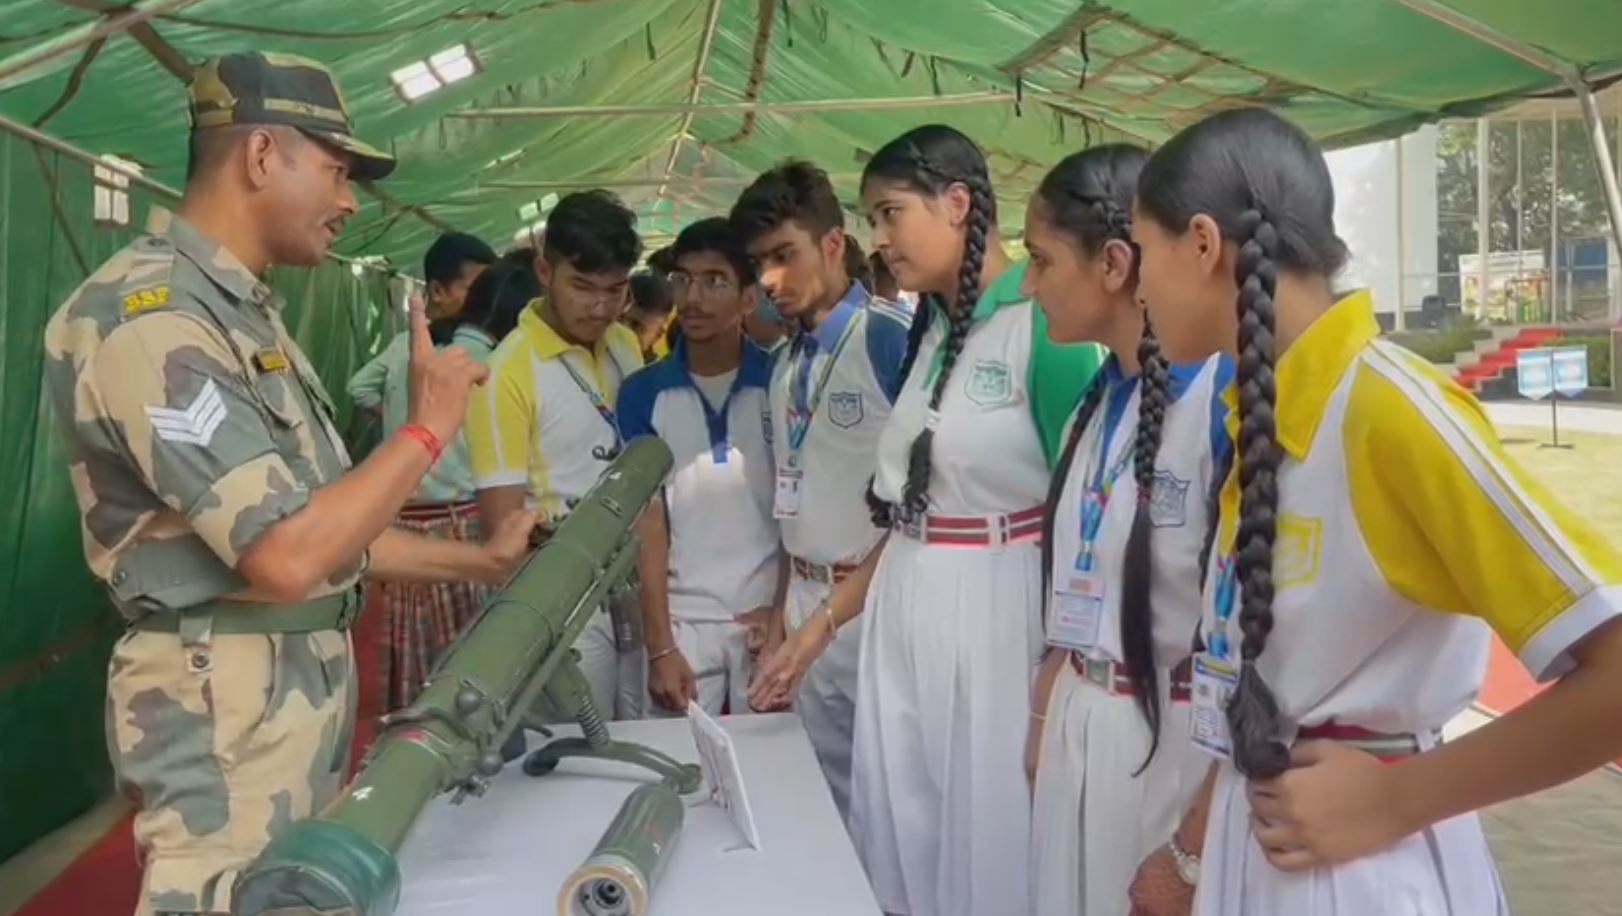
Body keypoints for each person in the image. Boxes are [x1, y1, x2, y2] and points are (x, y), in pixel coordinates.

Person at [41, 51, 535, 916]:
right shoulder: (153, 321)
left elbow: (331, 529)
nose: (349, 201)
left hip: (281, 705)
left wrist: (482, 564)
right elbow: (286, 555)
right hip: (224, 726)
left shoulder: (243, 314)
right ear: (263, 156)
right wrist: (427, 428)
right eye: (338, 170)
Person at [1125, 107, 1622, 916]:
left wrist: (1401, 799)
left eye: (1144, 253)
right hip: (1272, 848)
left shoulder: (1389, 411)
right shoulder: (1259, 414)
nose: (1137, 285)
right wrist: (1192, 855)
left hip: (1367, 872)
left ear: (1204, 244)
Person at [750, 125, 1104, 916]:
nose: (880, 239)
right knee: (904, 825)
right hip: (907, 610)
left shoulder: (1044, 325)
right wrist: (818, 630)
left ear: (957, 203)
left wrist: (1058, 677)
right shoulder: (935, 329)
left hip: (996, 618)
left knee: (986, 837)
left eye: (889, 213)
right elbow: (918, 519)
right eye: (871, 218)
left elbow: (1089, 515)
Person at [1018, 146, 1232, 916]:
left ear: (1114, 263)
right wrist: (1049, 711)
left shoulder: (1219, 396)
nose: (1029, 284)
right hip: (1086, 721)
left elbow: (1256, 638)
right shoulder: (1099, 400)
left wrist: (1194, 847)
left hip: (1172, 746)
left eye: (1040, 260)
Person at [730, 159, 909, 819]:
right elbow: (792, 497)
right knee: (817, 795)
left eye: (785, 255)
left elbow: (924, 502)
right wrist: (781, 611)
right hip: (804, 599)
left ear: (833, 245)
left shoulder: (891, 340)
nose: (769, 280)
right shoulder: (782, 367)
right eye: (758, 264)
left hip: (872, 605)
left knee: (883, 799)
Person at [464, 189, 648, 720]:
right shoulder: (507, 372)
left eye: (615, 290)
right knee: (581, 743)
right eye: (582, 287)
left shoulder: (624, 345)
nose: (599, 307)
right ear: (544, 271)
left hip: (633, 577)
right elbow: (503, 528)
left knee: (639, 727)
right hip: (563, 594)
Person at [348, 257, 542, 711]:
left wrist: (397, 419)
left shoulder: (410, 349)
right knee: (462, 672)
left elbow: (358, 388)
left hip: (398, 526)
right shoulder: (498, 366)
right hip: (458, 528)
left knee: (407, 665)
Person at [616, 218, 779, 717]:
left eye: (714, 281)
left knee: (775, 771)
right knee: (681, 777)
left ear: (748, 299)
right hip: (683, 620)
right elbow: (648, 521)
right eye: (682, 280)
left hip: (765, 621)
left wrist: (782, 617)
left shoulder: (781, 381)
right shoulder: (643, 392)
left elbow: (799, 505)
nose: (693, 297)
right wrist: (661, 645)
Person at [621, 270, 676, 362]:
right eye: (620, 318)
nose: (622, 328)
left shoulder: (657, 374)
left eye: (635, 325)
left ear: (657, 335)